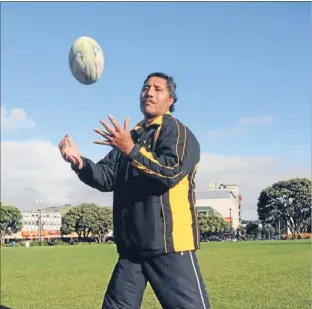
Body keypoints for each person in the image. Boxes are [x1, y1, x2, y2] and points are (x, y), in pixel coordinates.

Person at [59, 72, 210, 309]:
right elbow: (106, 177)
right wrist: (79, 162)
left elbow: (170, 172)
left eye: (158, 89)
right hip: (132, 249)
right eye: (145, 87)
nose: (149, 92)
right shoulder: (130, 137)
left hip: (169, 246)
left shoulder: (177, 132)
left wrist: (131, 149)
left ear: (170, 100)